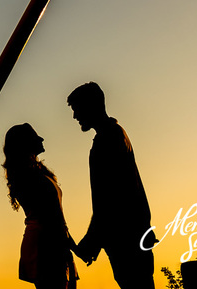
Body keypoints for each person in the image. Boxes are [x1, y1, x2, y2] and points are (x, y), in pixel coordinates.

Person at [68, 82, 156, 288]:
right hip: (134, 234)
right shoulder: (117, 132)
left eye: (77, 110)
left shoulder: (107, 140)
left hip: (125, 239)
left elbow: (108, 200)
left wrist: (91, 243)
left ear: (91, 106)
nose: (75, 117)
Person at [4, 123, 80, 289]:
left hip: (54, 240)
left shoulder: (36, 172)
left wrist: (71, 245)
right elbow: (51, 216)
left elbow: (56, 216)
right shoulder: (28, 176)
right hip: (45, 244)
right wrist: (73, 246)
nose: (41, 139)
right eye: (34, 136)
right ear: (24, 143)